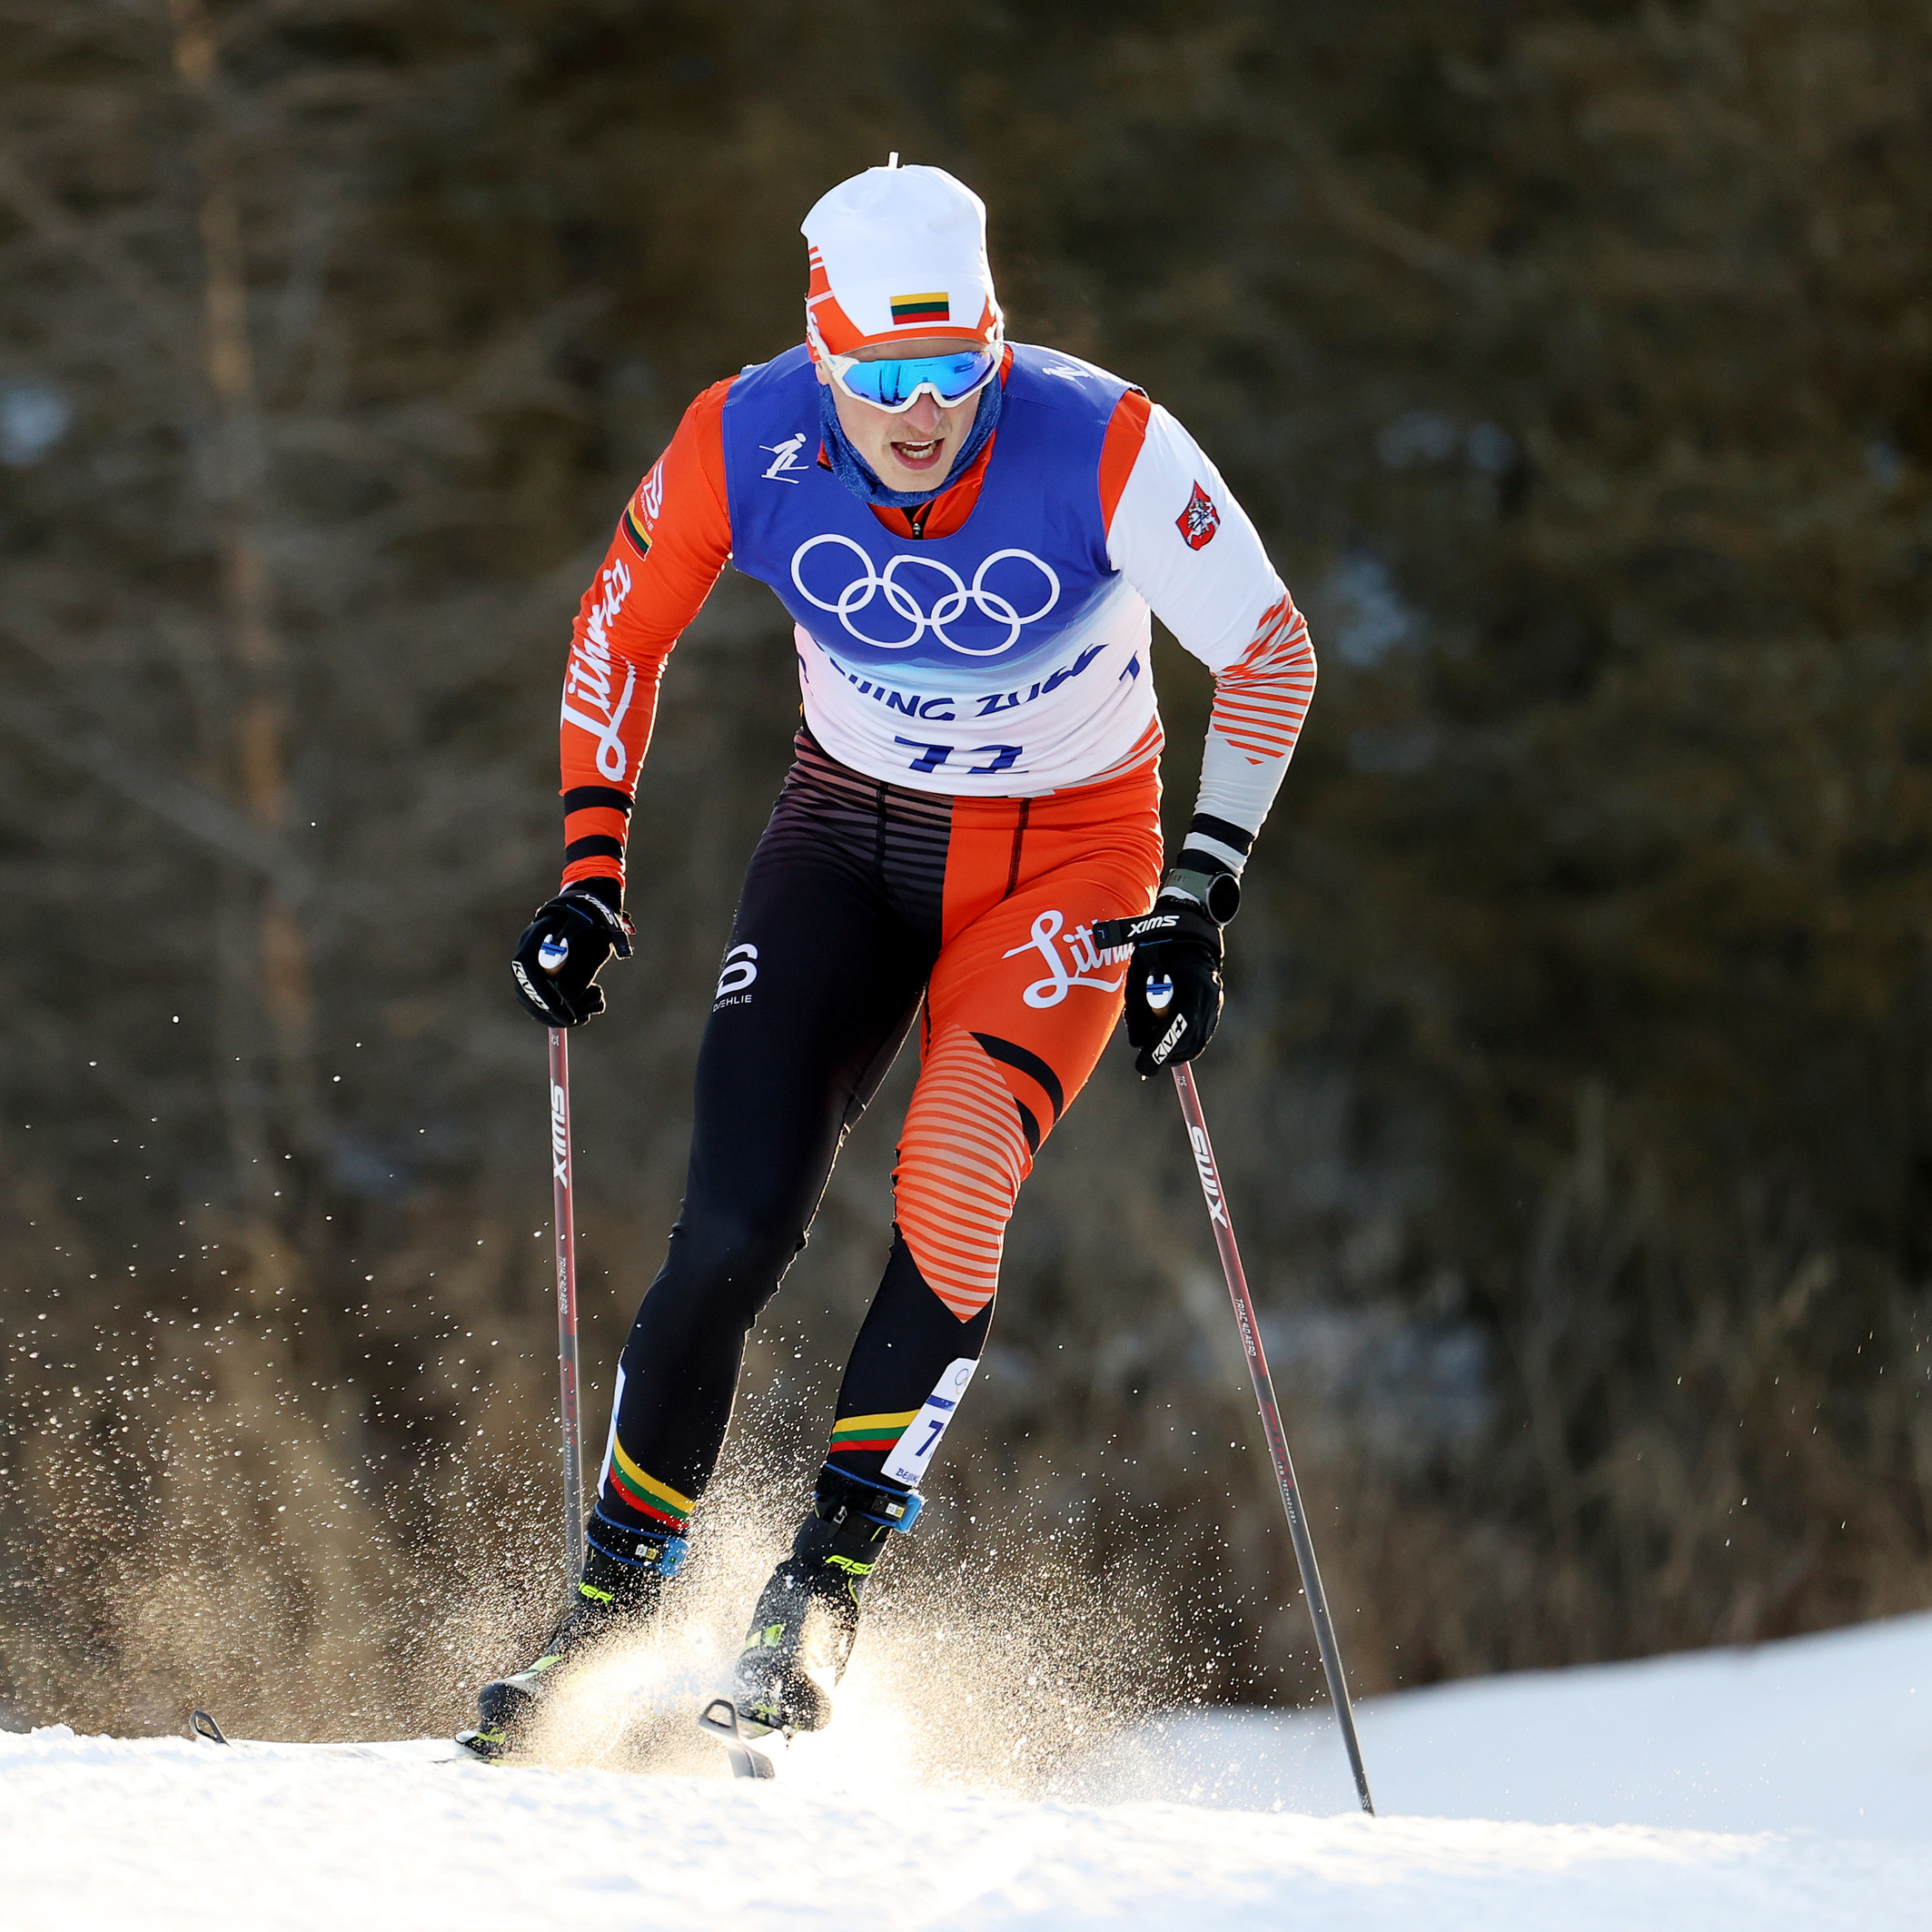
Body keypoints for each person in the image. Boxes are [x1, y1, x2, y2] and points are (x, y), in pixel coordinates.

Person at [462, 159, 1316, 1761]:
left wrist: (1201, 891)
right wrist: (588, 870)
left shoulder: (1102, 440)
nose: (922, 414)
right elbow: (614, 635)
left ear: (997, 342)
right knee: (730, 1227)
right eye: (884, 377)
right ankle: (612, 1600)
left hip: (1070, 854)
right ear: (823, 350)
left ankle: (825, 1584)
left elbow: (1270, 650)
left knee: (956, 1167)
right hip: (845, 839)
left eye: (956, 372)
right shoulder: (743, 436)